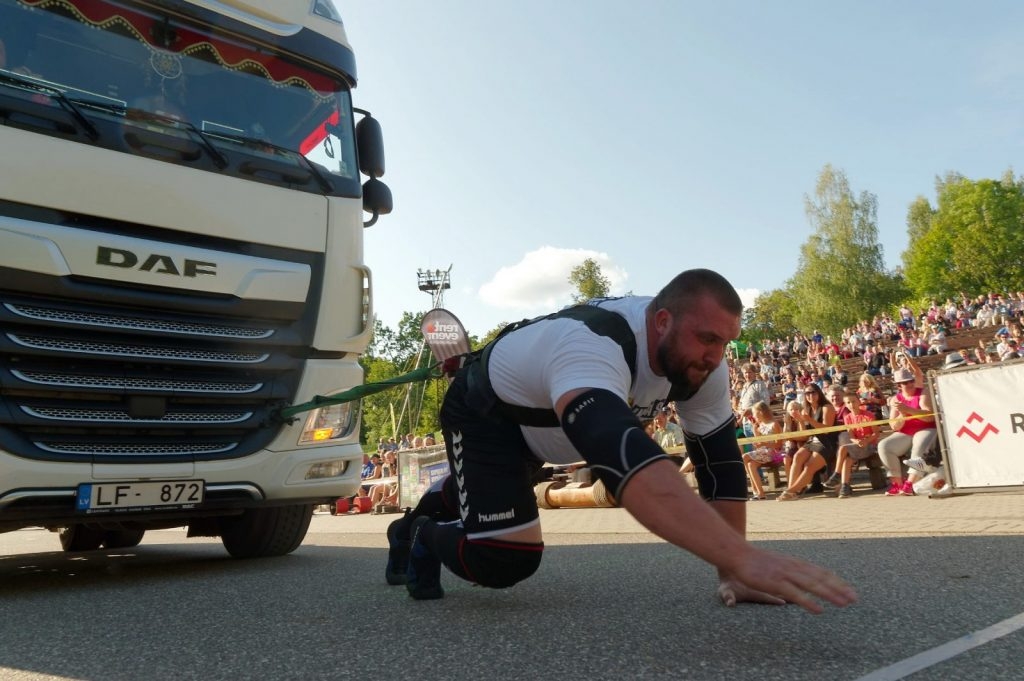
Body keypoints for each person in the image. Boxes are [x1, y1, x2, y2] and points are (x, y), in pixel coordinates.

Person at [382, 269, 856, 612]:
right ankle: (420, 534)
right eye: (707, 338)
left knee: (489, 492)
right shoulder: (591, 344)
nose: (715, 357)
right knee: (505, 559)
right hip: (487, 415)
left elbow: (719, 464)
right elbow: (623, 461)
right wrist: (743, 557)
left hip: (548, 434)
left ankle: (432, 517)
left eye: (726, 343)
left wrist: (734, 572)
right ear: (663, 320)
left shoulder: (703, 361)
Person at [877, 362, 937, 496]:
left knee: (919, 443)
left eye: (911, 380)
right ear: (899, 385)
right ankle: (897, 484)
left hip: (926, 428)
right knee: (884, 446)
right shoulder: (895, 399)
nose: (910, 384)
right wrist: (903, 415)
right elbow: (894, 426)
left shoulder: (923, 392)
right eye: (905, 382)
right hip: (906, 431)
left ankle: (910, 483)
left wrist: (908, 410)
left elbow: (929, 416)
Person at [777, 383, 836, 501]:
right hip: (813, 440)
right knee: (798, 456)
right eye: (807, 393)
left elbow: (826, 429)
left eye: (813, 392)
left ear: (819, 392)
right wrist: (800, 421)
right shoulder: (806, 409)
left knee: (809, 465)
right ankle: (793, 490)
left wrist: (808, 419)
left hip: (827, 442)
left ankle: (791, 491)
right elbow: (807, 432)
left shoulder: (826, 407)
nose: (810, 395)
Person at [824, 391, 880, 498]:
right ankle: (845, 487)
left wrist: (866, 441)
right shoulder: (847, 418)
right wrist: (857, 441)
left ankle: (836, 474)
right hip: (857, 445)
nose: (851, 404)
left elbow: (876, 433)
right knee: (846, 460)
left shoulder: (869, 415)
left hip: (869, 446)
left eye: (854, 401)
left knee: (843, 449)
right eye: (848, 402)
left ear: (859, 401)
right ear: (845, 404)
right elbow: (851, 436)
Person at [742, 401, 784, 500]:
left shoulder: (774, 424)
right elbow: (758, 444)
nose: (753, 415)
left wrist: (764, 444)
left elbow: (778, 444)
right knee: (750, 465)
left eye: (754, 413)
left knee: (744, 457)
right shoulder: (759, 425)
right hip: (763, 452)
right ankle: (760, 493)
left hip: (773, 453)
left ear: (760, 412)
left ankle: (754, 488)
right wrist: (754, 428)